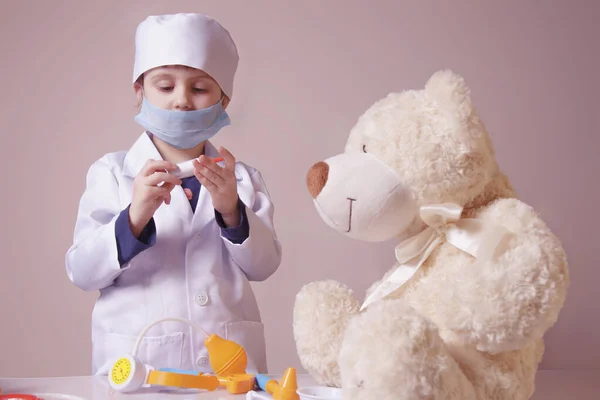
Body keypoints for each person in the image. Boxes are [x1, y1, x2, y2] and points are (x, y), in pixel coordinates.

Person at [65, 13, 282, 376]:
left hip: (227, 370)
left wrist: (232, 211)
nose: (181, 101)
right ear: (140, 91)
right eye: (165, 87)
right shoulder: (112, 174)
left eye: (199, 89)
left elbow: (264, 265)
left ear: (223, 100)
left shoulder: (241, 179)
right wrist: (133, 218)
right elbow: (82, 272)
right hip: (138, 364)